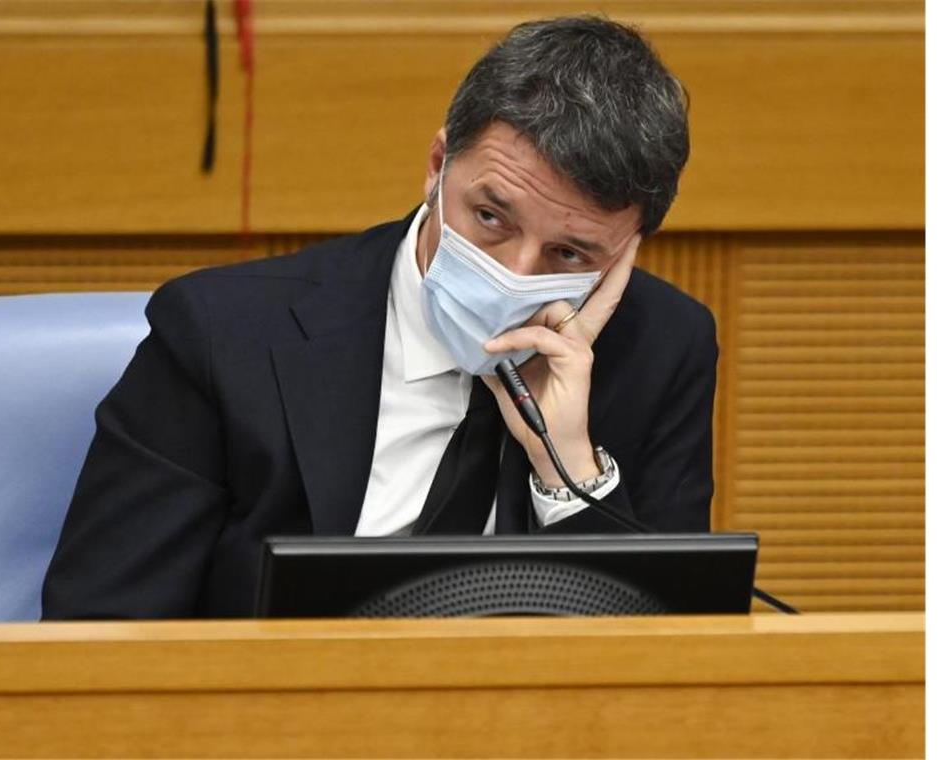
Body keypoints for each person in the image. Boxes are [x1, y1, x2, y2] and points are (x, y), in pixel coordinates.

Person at [41, 15, 716, 619]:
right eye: (490, 217)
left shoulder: (663, 348)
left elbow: (662, 669)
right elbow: (100, 639)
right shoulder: (224, 334)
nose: (516, 269)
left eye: (568, 252)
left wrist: (565, 462)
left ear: (624, 253)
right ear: (435, 166)